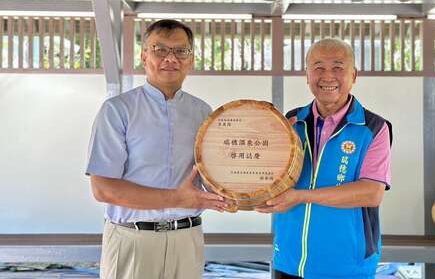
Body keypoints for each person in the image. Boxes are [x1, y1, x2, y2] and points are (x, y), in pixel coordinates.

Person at [86, 19, 226, 279]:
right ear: (144, 56)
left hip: (187, 239)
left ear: (191, 59)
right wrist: (178, 198)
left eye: (180, 51)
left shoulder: (203, 112)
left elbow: (213, 179)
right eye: (160, 49)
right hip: (132, 238)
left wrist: (247, 182)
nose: (170, 58)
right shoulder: (117, 110)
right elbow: (103, 188)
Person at [257, 38, 392, 279]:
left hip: (348, 266)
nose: (327, 76)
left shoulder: (373, 128)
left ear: (353, 75)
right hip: (289, 260)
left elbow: (371, 193)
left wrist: (300, 196)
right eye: (318, 67)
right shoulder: (291, 121)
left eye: (338, 67)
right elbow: (272, 176)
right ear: (307, 75)